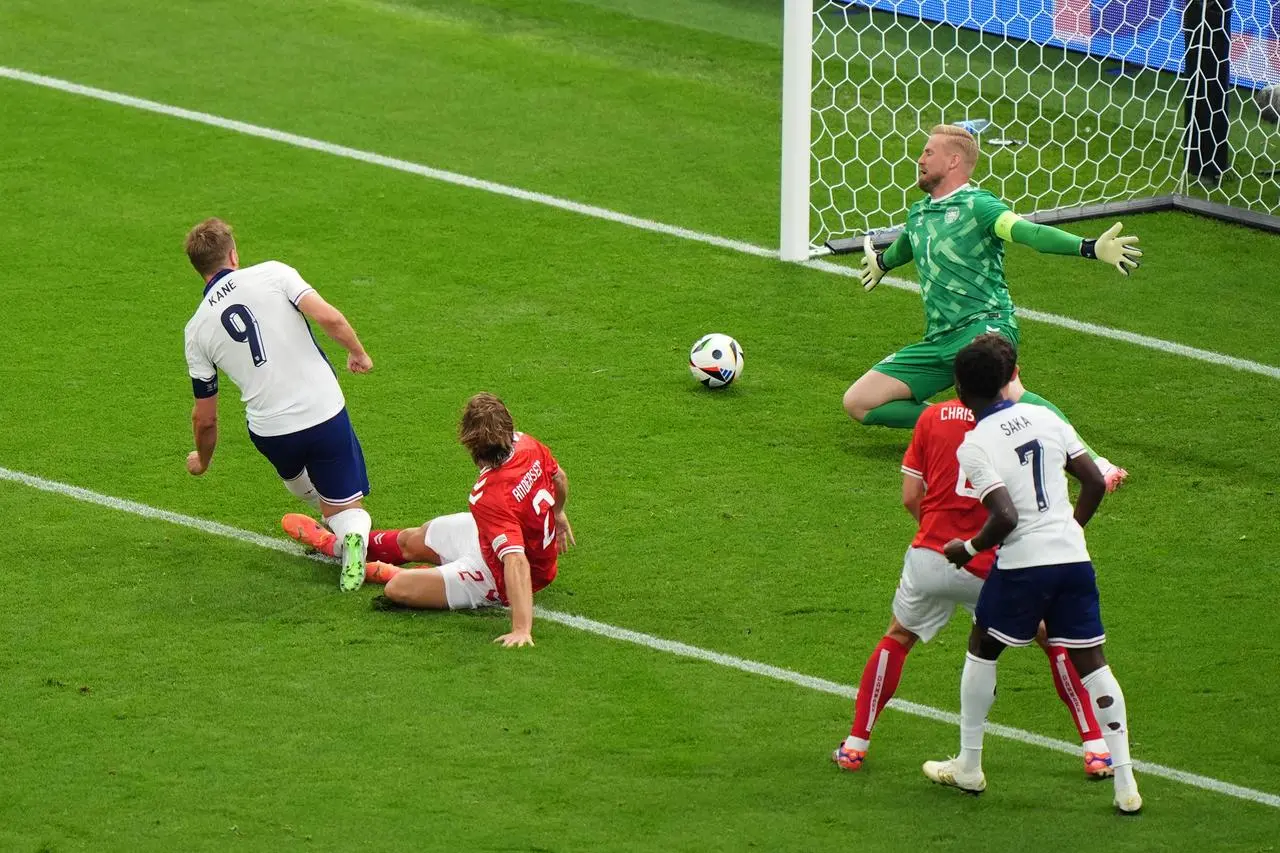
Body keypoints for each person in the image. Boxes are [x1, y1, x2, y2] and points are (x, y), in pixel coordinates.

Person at [832, 338, 1112, 778]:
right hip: (989, 561)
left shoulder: (930, 417)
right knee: (1050, 637)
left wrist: (935, 531)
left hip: (932, 557)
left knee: (898, 635)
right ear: (1009, 379)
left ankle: (855, 744)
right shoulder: (1021, 425)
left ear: (956, 382)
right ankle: (1096, 746)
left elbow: (911, 495)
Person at [844, 124, 1140, 490]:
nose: (919, 159)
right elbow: (909, 243)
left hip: (985, 327)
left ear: (954, 161)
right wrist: (884, 262)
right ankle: (965, 427)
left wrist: (1089, 247)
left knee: (1011, 394)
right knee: (860, 403)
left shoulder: (980, 206)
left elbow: (1030, 233)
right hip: (939, 339)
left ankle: (1097, 464)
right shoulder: (919, 213)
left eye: (928, 153)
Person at [921, 336, 1141, 815]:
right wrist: (1070, 530)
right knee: (1092, 661)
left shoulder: (975, 444)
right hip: (1072, 559)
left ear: (959, 389)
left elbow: (1004, 517)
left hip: (1023, 565)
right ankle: (1125, 783)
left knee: (983, 647)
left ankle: (969, 766)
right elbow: (1094, 480)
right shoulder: (1046, 418)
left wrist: (968, 549)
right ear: (1008, 379)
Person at [285, 393, 572, 646]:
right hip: (490, 534)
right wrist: (558, 513)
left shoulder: (488, 496)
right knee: (412, 539)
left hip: (499, 575)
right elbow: (558, 477)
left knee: (397, 589)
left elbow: (515, 560)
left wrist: (521, 629)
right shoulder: (528, 445)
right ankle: (340, 544)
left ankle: (390, 570)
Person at [182, 217, 374, 592]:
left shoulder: (196, 330)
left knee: (304, 486)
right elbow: (328, 317)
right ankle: (350, 534)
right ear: (233, 253)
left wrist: (202, 461)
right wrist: (358, 353)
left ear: (198, 270)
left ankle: (334, 529)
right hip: (323, 409)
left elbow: (204, 418)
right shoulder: (274, 272)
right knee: (346, 503)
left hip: (272, 432)